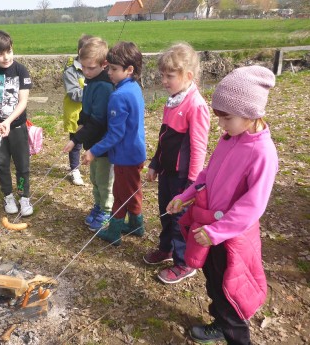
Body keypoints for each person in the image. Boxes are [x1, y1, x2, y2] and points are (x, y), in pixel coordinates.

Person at [166, 66, 278, 344]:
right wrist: (186, 195)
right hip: (209, 227)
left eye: (226, 118)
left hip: (231, 237)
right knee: (214, 280)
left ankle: (237, 337)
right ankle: (219, 322)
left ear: (251, 114)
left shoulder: (262, 153)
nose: (220, 125)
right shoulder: (230, 138)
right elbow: (207, 175)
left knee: (230, 288)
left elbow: (252, 206)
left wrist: (217, 232)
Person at [143, 43, 210, 283]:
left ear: (188, 76)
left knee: (180, 219)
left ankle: (183, 263)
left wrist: (191, 182)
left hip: (183, 177)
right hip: (167, 173)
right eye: (162, 75)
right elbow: (164, 137)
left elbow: (199, 146)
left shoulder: (196, 105)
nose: (163, 80)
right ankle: (166, 249)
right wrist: (154, 164)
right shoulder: (172, 101)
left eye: (169, 76)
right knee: (165, 212)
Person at [82, 41, 146, 245]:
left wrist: (93, 150)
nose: (109, 72)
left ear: (129, 70)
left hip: (125, 156)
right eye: (109, 67)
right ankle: (137, 224)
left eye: (114, 69)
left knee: (120, 195)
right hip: (136, 152)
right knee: (133, 190)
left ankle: (114, 232)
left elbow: (115, 134)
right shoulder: (134, 87)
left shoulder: (119, 95)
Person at [63, 37, 114, 231]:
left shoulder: (104, 86)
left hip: (103, 144)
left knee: (104, 180)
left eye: (90, 68)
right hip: (93, 143)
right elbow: (86, 111)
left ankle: (106, 211)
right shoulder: (91, 81)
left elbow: (98, 120)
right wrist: (80, 124)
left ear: (104, 64)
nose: (85, 72)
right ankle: (98, 205)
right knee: (94, 178)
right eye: (82, 67)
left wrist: (77, 138)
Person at [0, 30, 33, 217]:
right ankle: (8, 195)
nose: (6, 57)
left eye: (9, 51)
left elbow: (22, 102)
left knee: (22, 165)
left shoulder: (21, 70)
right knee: (1, 164)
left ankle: (24, 195)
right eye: (0, 54)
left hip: (17, 126)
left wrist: (9, 122)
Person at [62, 34, 92, 186]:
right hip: (75, 115)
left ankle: (94, 165)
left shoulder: (95, 69)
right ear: (81, 52)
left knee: (93, 140)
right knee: (76, 143)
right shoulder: (70, 72)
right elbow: (73, 94)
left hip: (92, 115)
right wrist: (92, 92)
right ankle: (74, 169)